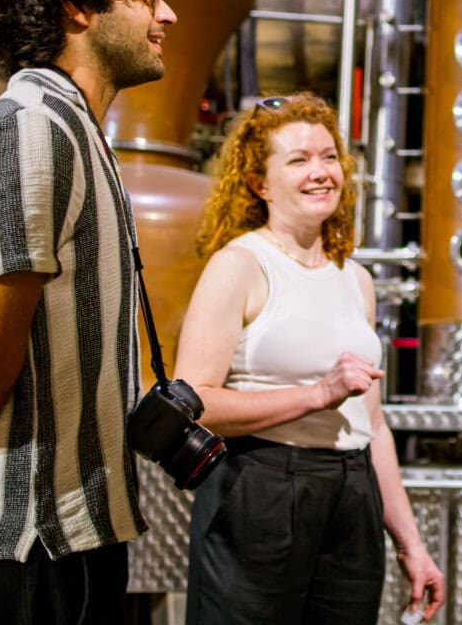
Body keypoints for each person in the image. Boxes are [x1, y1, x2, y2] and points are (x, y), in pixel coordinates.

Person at [0, 0, 177, 622]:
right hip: (17, 550)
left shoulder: (74, 133)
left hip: (65, 546)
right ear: (78, 5)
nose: (166, 15)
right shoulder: (30, 129)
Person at [175, 93, 445, 624]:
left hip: (351, 492)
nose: (321, 172)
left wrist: (411, 543)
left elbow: (373, 425)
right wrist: (317, 394)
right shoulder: (241, 265)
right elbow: (195, 403)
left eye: (329, 157)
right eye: (298, 160)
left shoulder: (356, 278)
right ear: (259, 183)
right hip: (262, 486)